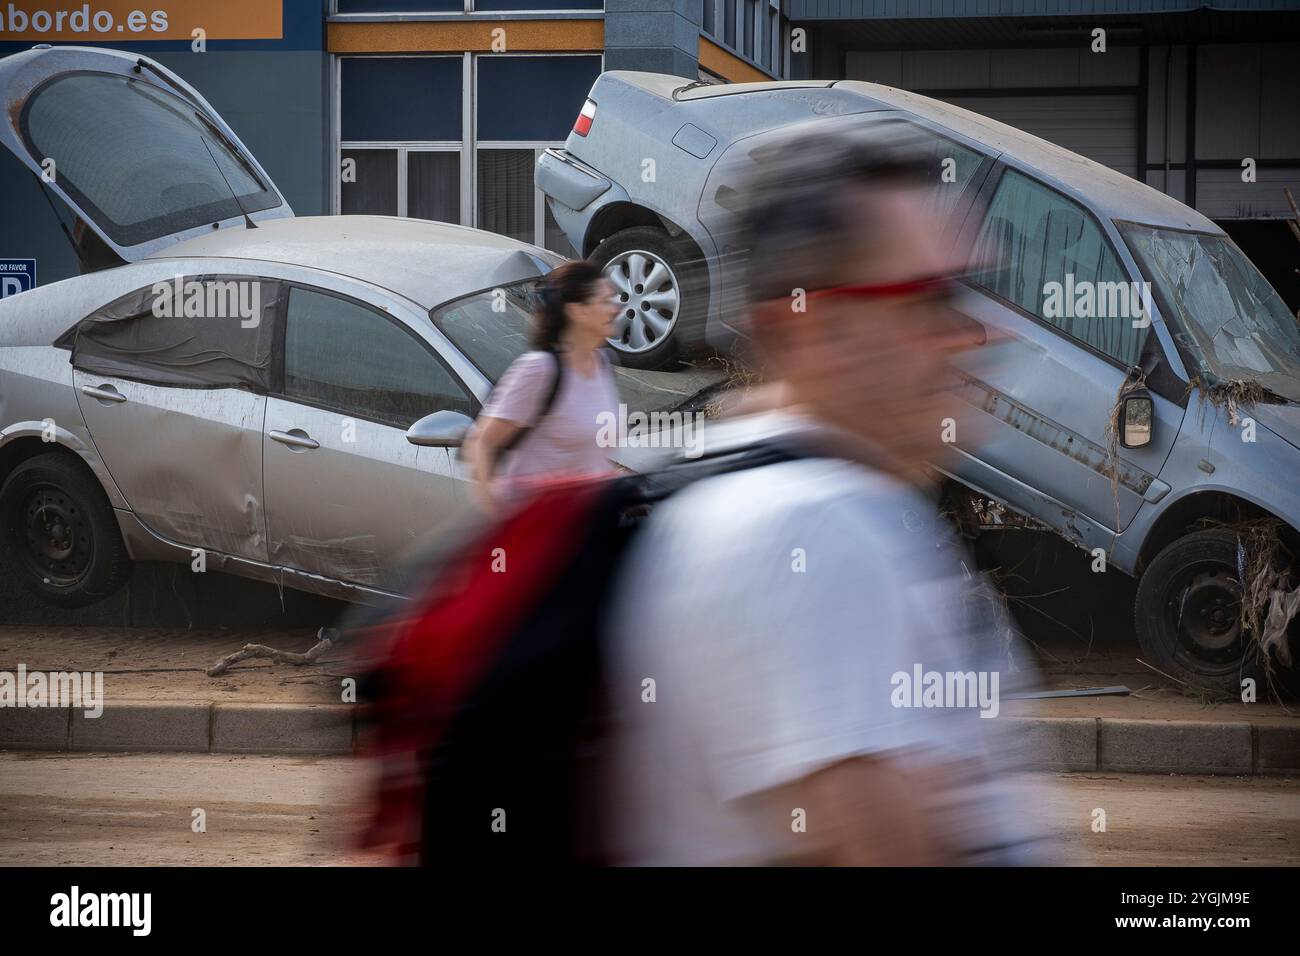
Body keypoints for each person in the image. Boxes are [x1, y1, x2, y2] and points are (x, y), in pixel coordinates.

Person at [602, 127, 1052, 865]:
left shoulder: (751, 490)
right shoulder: (815, 530)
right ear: (813, 327)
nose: (974, 335)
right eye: (930, 298)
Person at [462, 261, 622, 511]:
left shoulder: (602, 363)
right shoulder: (540, 369)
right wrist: (501, 518)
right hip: (541, 527)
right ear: (577, 311)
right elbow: (481, 443)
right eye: (606, 301)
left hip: (588, 524)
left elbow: (589, 455)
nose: (616, 309)